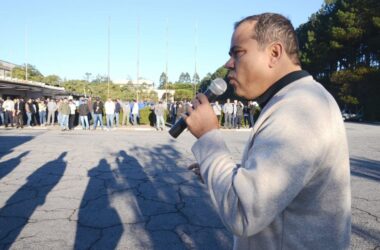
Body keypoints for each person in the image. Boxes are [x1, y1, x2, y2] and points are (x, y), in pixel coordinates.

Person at [184, 13, 350, 249]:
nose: (228, 64)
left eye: (237, 53)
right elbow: (278, 186)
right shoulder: (298, 99)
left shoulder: (299, 108)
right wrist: (223, 174)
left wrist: (209, 137)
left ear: (274, 53)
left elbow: (243, 211)